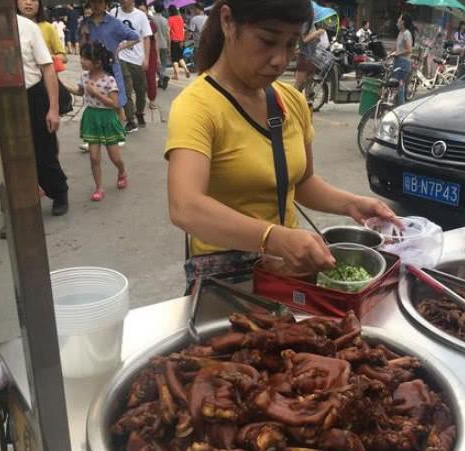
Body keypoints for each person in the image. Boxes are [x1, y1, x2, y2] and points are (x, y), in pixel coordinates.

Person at [166, 0, 398, 289]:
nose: (280, 59)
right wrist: (274, 238)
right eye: (267, 40)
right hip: (227, 283)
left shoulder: (291, 101)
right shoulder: (196, 107)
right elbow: (185, 207)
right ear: (227, 22)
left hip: (288, 271)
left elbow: (302, 182)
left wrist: (354, 204)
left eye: (291, 44)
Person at [17, 14, 69, 215]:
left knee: (43, 152)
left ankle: (58, 192)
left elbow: (48, 67)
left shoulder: (28, 27)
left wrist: (53, 108)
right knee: (7, 158)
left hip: (33, 96)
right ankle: (16, 206)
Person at [65, 42, 128, 202]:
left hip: (107, 118)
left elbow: (114, 103)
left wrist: (96, 93)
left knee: (115, 157)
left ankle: (121, 171)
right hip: (91, 117)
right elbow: (80, 91)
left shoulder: (109, 80)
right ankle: (99, 187)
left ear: (98, 62)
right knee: (94, 157)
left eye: (85, 58)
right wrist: (64, 86)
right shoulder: (84, 77)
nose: (81, 61)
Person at [111, 0, 153, 133]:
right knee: (126, 89)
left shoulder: (141, 15)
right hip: (120, 57)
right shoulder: (114, 12)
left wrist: (146, 58)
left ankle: (139, 112)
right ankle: (130, 120)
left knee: (141, 90)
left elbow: (146, 38)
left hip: (137, 58)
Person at [136, 0, 158, 108]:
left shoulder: (152, 24)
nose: (141, 13)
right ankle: (140, 100)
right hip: (137, 54)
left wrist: (158, 58)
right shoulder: (133, 24)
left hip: (151, 55)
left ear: (147, 11)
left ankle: (152, 99)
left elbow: (156, 41)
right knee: (138, 79)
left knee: (150, 78)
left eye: (143, 10)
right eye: (139, 10)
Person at [389, 13, 414, 106]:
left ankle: (400, 109)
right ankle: (397, 107)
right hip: (398, 61)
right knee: (398, 87)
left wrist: (397, 54)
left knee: (398, 87)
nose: (397, 20)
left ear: (403, 21)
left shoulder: (407, 33)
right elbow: (395, 46)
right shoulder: (401, 33)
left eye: (399, 18)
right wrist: (389, 54)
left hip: (403, 63)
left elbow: (409, 50)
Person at [294, 23, 325, 92]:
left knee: (309, 79)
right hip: (304, 55)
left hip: (312, 55)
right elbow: (305, 39)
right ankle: (292, 99)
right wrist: (317, 32)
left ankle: (308, 99)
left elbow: (311, 38)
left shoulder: (312, 23)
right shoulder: (306, 22)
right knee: (299, 81)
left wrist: (317, 36)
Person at [168, 5, 191, 79]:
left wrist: (168, 39)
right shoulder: (180, 19)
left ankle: (176, 75)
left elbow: (168, 31)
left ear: (170, 11)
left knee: (174, 59)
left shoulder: (170, 19)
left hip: (174, 41)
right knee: (180, 57)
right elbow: (183, 30)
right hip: (181, 41)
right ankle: (186, 69)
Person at [151, 1, 170, 89]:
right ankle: (162, 77)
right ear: (162, 9)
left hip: (154, 44)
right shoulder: (165, 20)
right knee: (163, 63)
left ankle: (161, 78)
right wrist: (169, 46)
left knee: (155, 63)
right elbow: (167, 34)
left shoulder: (152, 19)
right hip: (164, 44)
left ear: (154, 8)